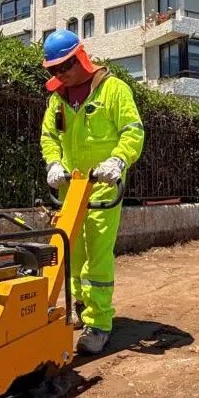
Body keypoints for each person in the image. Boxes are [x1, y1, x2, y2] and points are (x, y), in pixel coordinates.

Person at [40, 29, 145, 355]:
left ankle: (99, 323)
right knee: (71, 253)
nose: (60, 74)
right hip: (71, 190)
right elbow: (49, 138)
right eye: (53, 70)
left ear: (80, 57)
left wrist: (118, 159)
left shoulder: (114, 91)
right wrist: (53, 164)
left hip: (102, 188)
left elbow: (132, 131)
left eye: (64, 66)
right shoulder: (57, 99)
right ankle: (80, 306)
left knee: (97, 258)